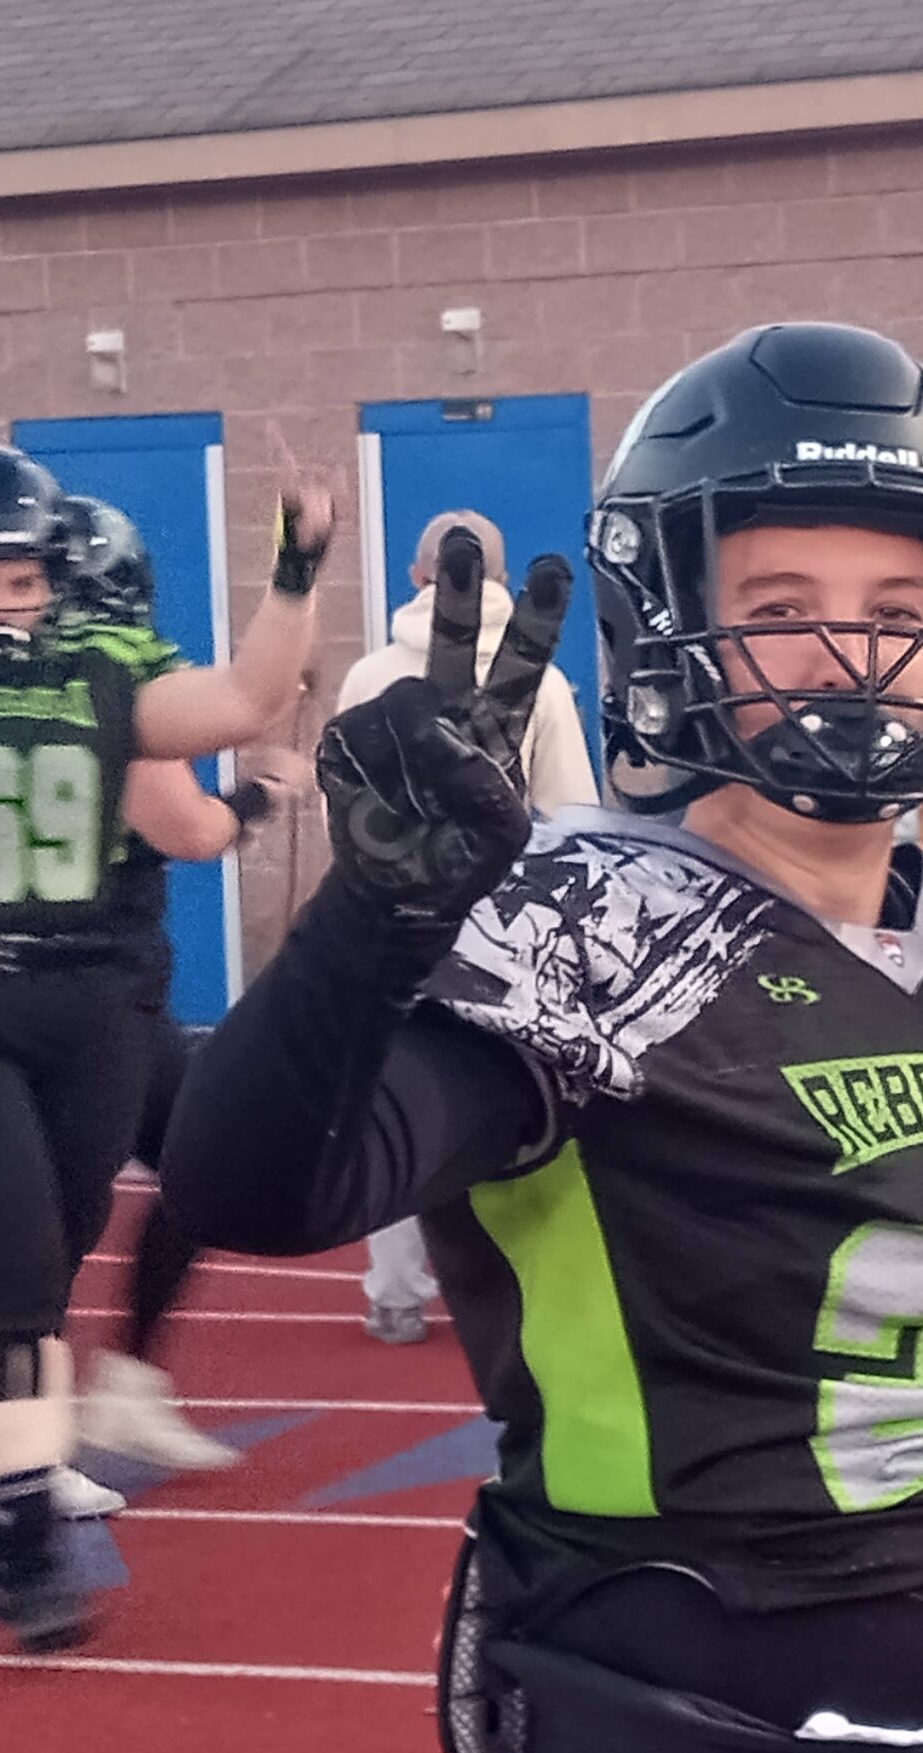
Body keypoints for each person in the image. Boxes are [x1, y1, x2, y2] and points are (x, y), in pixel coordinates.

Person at [167, 323, 923, 1753]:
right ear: (672, 622)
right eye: (780, 608)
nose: (847, 655)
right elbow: (250, 1185)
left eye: (896, 610)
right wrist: (372, 917)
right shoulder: (588, 923)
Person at [0, 423, 329, 1649]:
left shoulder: (101, 669)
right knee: (10, 1290)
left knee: (43, 1273)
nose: (1, 602)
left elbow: (247, 700)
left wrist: (296, 568)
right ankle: (18, 1538)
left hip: (85, 1005)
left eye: (21, 579)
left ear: (53, 574)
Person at [53, 498, 293, 1472]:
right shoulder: (97, 682)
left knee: (201, 1157)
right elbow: (185, 826)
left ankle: (123, 1388)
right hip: (84, 990)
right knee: (45, 1229)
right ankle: (19, 1456)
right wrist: (260, 796)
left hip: (95, 982)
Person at [331, 508, 599, 1346]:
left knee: (391, 1098)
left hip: (393, 916)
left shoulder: (369, 676)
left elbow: (345, 803)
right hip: (509, 921)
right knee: (527, 1099)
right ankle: (526, 1285)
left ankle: (395, 1294)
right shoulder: (543, 683)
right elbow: (573, 812)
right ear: (504, 581)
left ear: (419, 578)